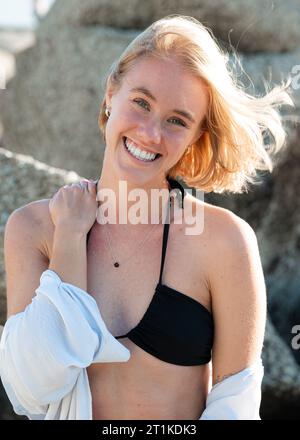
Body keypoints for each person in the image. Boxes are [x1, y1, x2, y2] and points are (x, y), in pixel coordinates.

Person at [0, 15, 293, 420]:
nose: (150, 133)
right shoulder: (35, 229)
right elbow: (32, 387)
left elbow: (235, 406)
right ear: (110, 95)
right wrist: (70, 237)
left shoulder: (224, 241)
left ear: (195, 138)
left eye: (177, 120)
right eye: (141, 102)